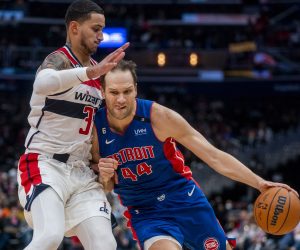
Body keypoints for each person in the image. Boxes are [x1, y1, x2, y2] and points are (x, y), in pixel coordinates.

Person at [94, 60, 299, 250]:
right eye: (114, 92)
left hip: (184, 198)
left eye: (127, 91)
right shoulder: (95, 129)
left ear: (136, 89)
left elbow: (214, 156)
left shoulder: (159, 117)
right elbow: (108, 186)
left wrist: (259, 183)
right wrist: (104, 178)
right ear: (102, 92)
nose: (121, 99)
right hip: (146, 212)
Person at [17, 0, 129, 249]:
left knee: (106, 245)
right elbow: (42, 84)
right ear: (75, 28)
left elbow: (94, 132)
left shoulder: (98, 74)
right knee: (49, 237)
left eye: (103, 29)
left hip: (81, 173)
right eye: (96, 29)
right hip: (45, 163)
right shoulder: (59, 60)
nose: (101, 36)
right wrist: (90, 73)